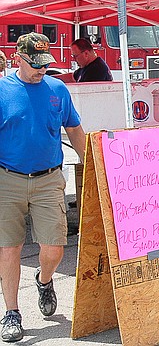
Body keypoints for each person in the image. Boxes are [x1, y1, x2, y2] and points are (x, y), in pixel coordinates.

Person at [0, 33, 86, 343]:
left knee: (54, 247)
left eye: (44, 64)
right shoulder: (2, 91)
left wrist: (89, 161)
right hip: (7, 179)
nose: (40, 70)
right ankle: (11, 312)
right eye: (34, 64)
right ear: (17, 59)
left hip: (49, 179)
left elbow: (74, 128)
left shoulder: (57, 89)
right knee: (9, 248)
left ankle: (43, 278)